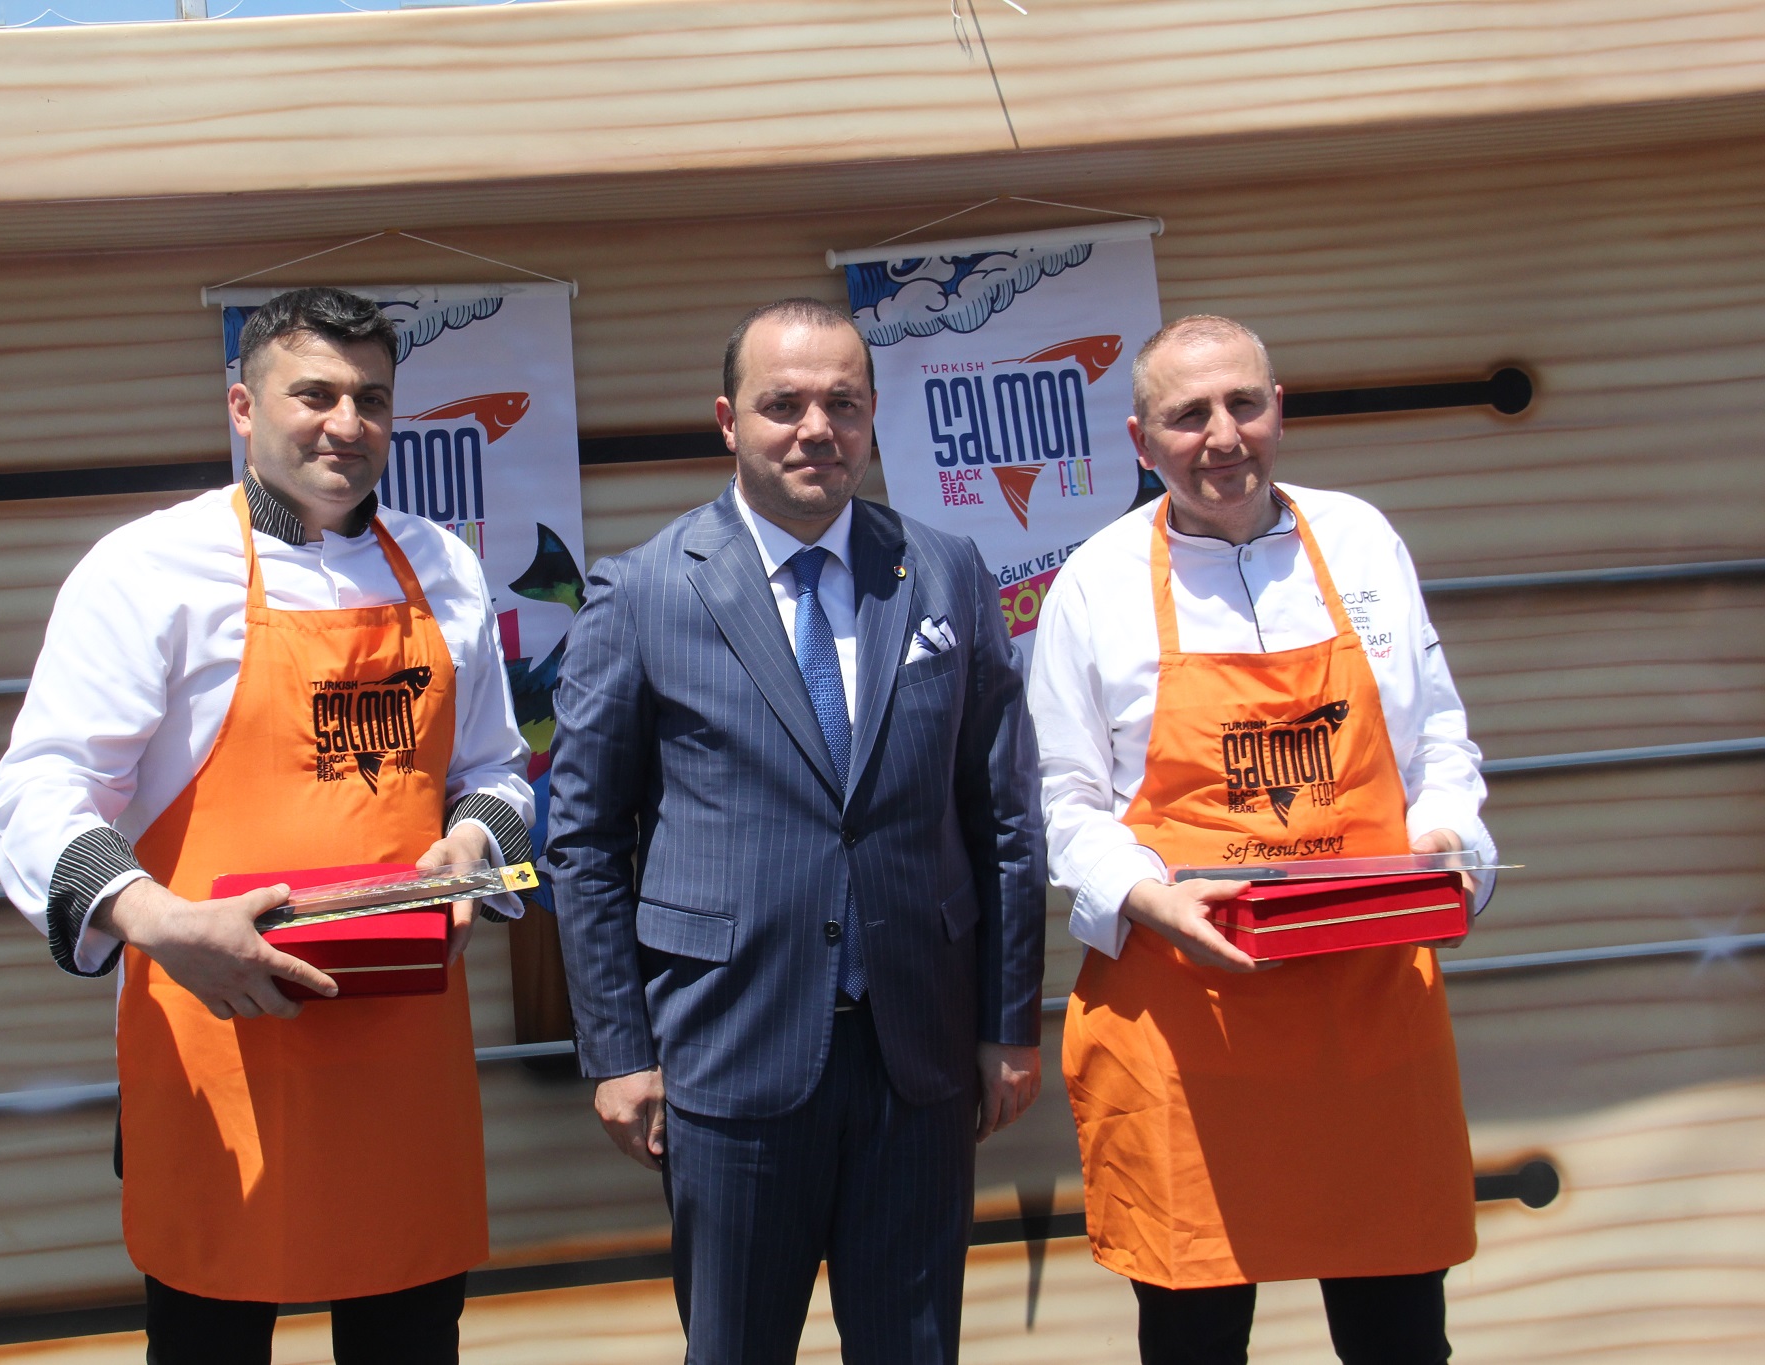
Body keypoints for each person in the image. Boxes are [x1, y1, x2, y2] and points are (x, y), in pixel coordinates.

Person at [0, 287, 533, 1365]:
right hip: (219, 1041)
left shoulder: (446, 567)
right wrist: (157, 920)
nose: (346, 424)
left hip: (402, 1054)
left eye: (371, 398)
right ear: (242, 406)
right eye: (314, 394)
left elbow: (496, 772)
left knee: (410, 1340)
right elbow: (36, 789)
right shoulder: (147, 570)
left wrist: (473, 851)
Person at [547, 297, 1046, 1365]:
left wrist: (1009, 1020)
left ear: (870, 418)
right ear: (728, 420)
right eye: (784, 404)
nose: (816, 428)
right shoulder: (641, 593)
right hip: (729, 1054)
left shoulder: (947, 571)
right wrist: (618, 1050)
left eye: (842, 404)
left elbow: (1001, 812)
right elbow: (582, 841)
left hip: (919, 1053)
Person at [1029, 314, 1497, 1365]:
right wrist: (1148, 898)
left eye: (1243, 403)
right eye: (1187, 415)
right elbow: (1062, 799)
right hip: (1189, 1035)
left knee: (1399, 1342)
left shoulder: (1361, 541)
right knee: (1194, 1344)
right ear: (1140, 439)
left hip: (1370, 1017)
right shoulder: (1094, 584)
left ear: (1278, 408)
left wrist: (1450, 846)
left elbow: (1438, 744)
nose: (1222, 436)